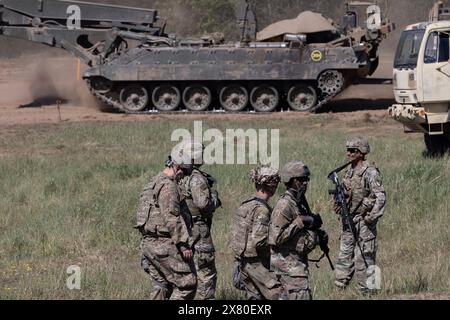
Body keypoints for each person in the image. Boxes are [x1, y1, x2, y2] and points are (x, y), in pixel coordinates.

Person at [135, 156, 197, 300]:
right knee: (187, 284)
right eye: (185, 172)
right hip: (163, 244)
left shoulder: (153, 181)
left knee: (161, 285)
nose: (184, 176)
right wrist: (182, 244)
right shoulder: (169, 185)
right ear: (178, 167)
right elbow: (171, 217)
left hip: (148, 244)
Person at [333, 137, 386, 293]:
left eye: (353, 151)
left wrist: (370, 217)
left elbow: (381, 197)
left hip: (364, 223)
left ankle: (371, 292)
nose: (349, 154)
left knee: (365, 257)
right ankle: (339, 291)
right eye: (348, 150)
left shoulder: (370, 171)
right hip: (348, 221)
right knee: (344, 257)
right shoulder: (349, 171)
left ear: (361, 152)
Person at [268, 161, 323, 300]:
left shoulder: (297, 202)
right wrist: (300, 222)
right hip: (288, 270)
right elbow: (275, 238)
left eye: (306, 179)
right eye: (301, 180)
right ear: (290, 180)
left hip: (295, 267)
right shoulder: (285, 205)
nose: (305, 183)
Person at [231, 166, 284, 300]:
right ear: (271, 185)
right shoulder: (262, 210)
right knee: (279, 295)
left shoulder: (245, 205)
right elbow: (259, 241)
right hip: (257, 264)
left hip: (242, 262)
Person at [178, 141, 221, 300]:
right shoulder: (197, 178)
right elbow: (204, 205)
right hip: (198, 229)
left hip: (184, 228)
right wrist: (215, 198)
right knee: (206, 272)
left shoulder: (181, 175)